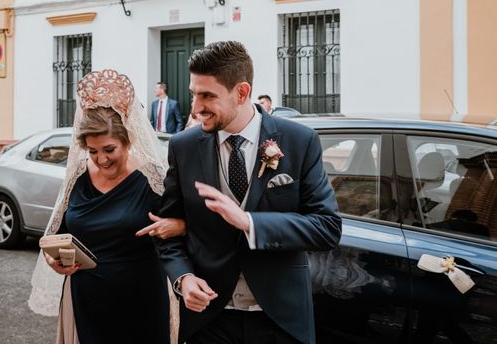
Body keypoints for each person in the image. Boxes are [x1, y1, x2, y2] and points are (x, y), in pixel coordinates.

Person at [155, 41, 342, 344]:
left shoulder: (299, 141)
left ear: (241, 92)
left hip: (280, 319)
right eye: (193, 94)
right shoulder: (183, 147)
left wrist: (250, 223)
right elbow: (168, 231)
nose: (195, 108)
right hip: (210, 320)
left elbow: (327, 228)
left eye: (207, 96)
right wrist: (183, 278)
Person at [29, 69, 186, 344]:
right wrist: (56, 258)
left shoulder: (153, 179)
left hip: (141, 305)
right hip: (85, 300)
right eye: (93, 151)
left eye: (109, 149)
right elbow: (61, 230)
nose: (101, 159)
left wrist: (181, 225)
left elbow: (181, 232)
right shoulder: (78, 175)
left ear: (128, 140)